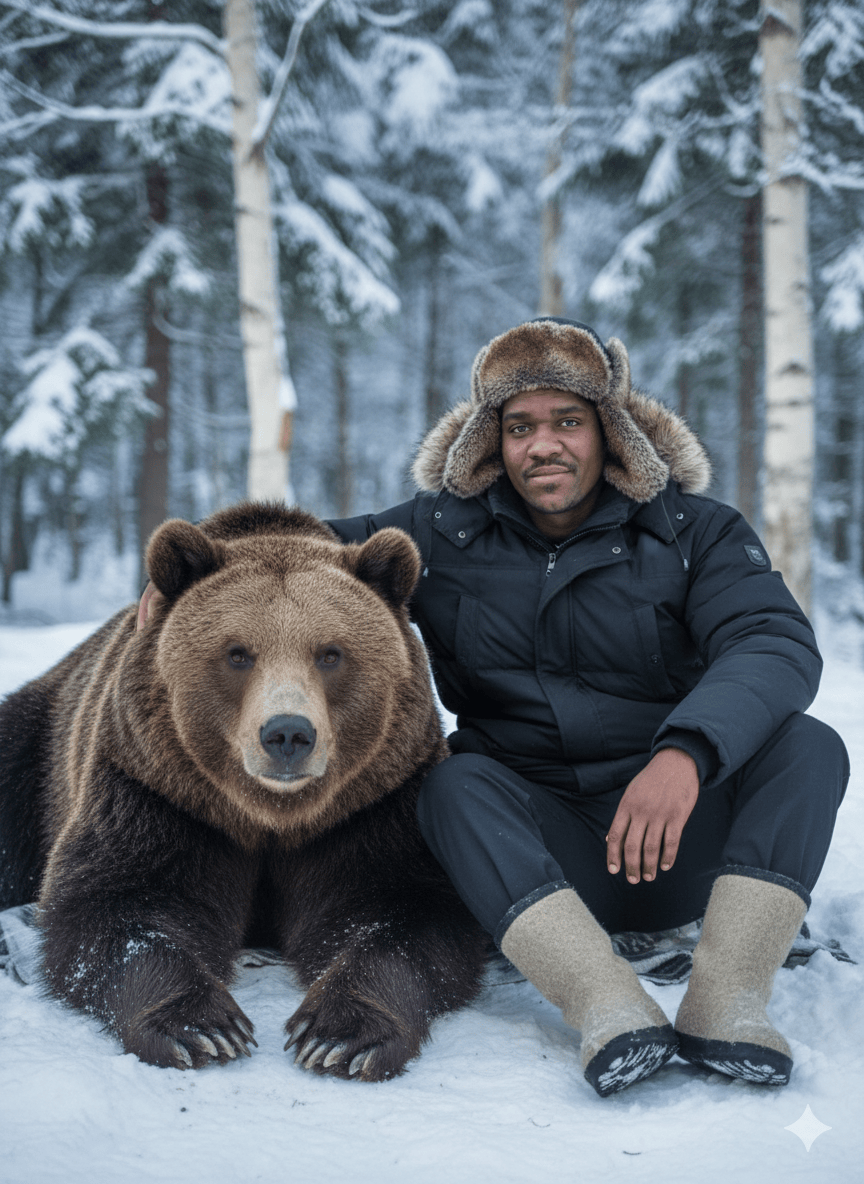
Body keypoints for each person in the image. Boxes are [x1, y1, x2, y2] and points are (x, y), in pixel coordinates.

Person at [137, 317, 849, 1097]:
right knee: (454, 784)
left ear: (609, 430)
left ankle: (730, 1003)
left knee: (808, 747)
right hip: (541, 863)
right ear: (491, 442)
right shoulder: (439, 534)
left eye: (567, 421)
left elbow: (772, 642)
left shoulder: (696, 533)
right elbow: (297, 558)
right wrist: (196, 569)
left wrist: (686, 755)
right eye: (520, 427)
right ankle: (606, 1005)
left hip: (690, 841)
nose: (544, 445)